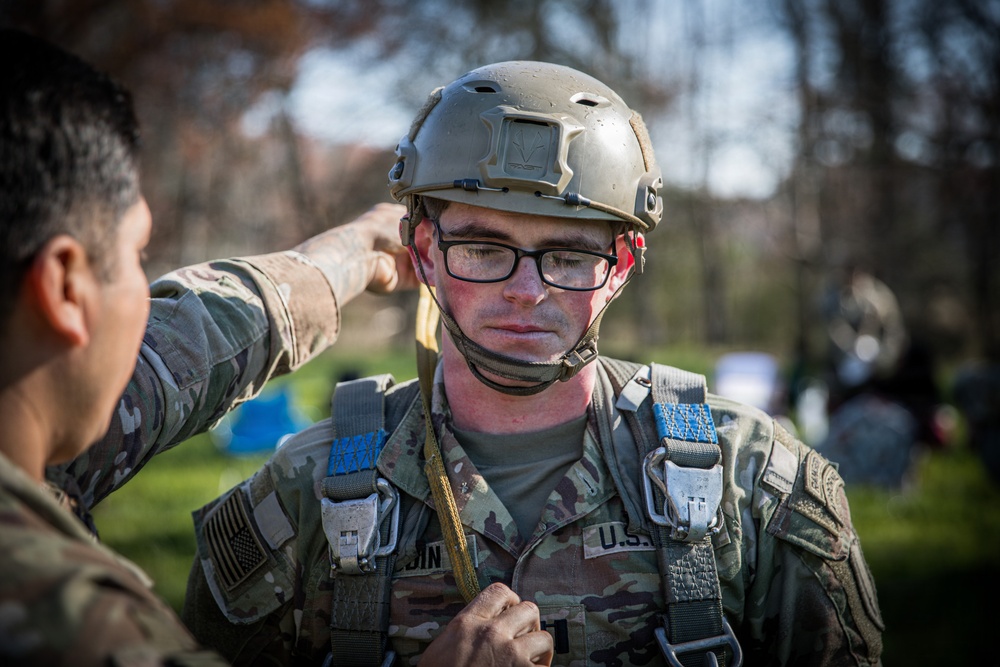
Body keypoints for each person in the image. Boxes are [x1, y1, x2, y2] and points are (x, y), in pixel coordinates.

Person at [183, 61, 885, 666]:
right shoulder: (307, 494)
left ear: (622, 266)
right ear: (423, 250)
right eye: (485, 248)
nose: (527, 290)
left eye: (570, 255)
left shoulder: (753, 484)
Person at [0, 29, 412, 665]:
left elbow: (186, 351)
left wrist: (356, 248)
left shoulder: (28, 419)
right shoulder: (79, 632)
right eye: (137, 255)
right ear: (63, 286)